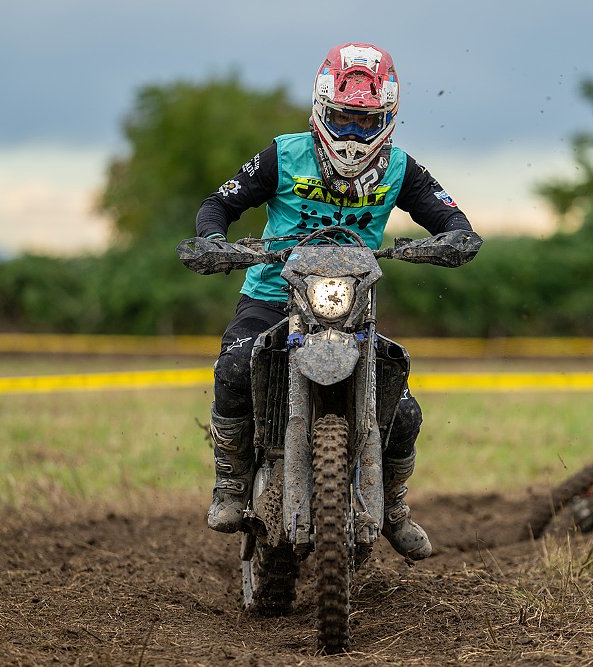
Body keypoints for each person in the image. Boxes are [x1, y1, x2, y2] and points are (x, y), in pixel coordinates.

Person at [193, 42, 479, 560]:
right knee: (233, 368)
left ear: (388, 119)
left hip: (352, 307)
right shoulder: (284, 154)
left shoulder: (400, 169)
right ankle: (230, 483)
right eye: (343, 117)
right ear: (321, 109)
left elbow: (448, 215)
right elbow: (221, 202)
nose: (352, 132)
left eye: (366, 121)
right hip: (272, 296)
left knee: (405, 412)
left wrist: (456, 237)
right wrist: (213, 240)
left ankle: (393, 506)